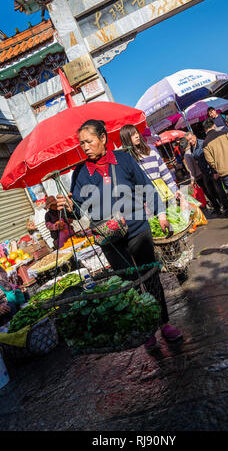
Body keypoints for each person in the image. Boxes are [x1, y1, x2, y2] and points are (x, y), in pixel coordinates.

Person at [56, 119, 183, 350]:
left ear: (103, 138)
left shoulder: (123, 160)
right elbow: (78, 210)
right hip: (110, 239)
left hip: (137, 229)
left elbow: (146, 186)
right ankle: (146, 331)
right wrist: (66, 205)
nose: (84, 147)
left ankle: (164, 323)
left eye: (89, 141)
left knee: (150, 276)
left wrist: (161, 214)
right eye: (81, 143)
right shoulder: (80, 173)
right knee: (128, 283)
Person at [119, 124, 180, 201]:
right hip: (146, 198)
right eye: (132, 135)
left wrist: (174, 189)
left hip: (164, 192)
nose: (137, 136)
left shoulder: (150, 149)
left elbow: (164, 171)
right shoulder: (126, 158)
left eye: (137, 133)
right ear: (126, 138)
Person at [184, 131, 228, 216]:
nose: (190, 141)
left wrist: (215, 171)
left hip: (211, 170)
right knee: (210, 191)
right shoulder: (192, 147)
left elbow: (211, 157)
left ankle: (227, 208)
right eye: (188, 140)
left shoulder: (202, 143)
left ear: (194, 136)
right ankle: (218, 208)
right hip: (205, 172)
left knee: (219, 190)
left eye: (191, 139)